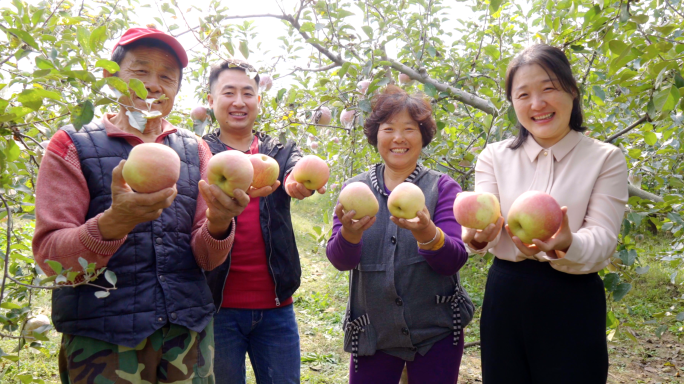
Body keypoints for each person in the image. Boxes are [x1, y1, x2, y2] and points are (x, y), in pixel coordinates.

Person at [33, 27, 250, 383]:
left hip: (187, 338)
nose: (153, 84)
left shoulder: (196, 151)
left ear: (177, 89)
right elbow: (55, 264)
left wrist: (220, 223)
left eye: (167, 76)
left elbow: (207, 259)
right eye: (140, 71)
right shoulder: (70, 146)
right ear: (111, 76)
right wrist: (113, 223)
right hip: (103, 343)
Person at [462, 44, 628, 383]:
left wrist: (568, 244)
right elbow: (483, 214)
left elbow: (603, 238)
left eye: (548, 88)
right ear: (512, 103)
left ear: (572, 90)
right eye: (523, 94)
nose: (537, 104)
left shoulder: (606, 159)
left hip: (572, 299)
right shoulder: (494, 157)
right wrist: (476, 236)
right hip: (505, 295)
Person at [325, 85, 471, 384]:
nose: (398, 138)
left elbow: (453, 259)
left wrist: (428, 233)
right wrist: (350, 235)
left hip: (436, 332)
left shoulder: (442, 188)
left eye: (409, 128)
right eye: (388, 128)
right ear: (376, 135)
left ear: (423, 136)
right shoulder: (356, 189)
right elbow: (339, 260)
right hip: (373, 334)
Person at [202, 59, 325, 384]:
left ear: (259, 100)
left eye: (248, 93)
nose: (239, 101)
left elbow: (292, 172)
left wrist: (297, 182)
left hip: (276, 307)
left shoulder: (278, 150)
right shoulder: (200, 153)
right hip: (217, 307)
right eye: (229, 92)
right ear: (211, 100)